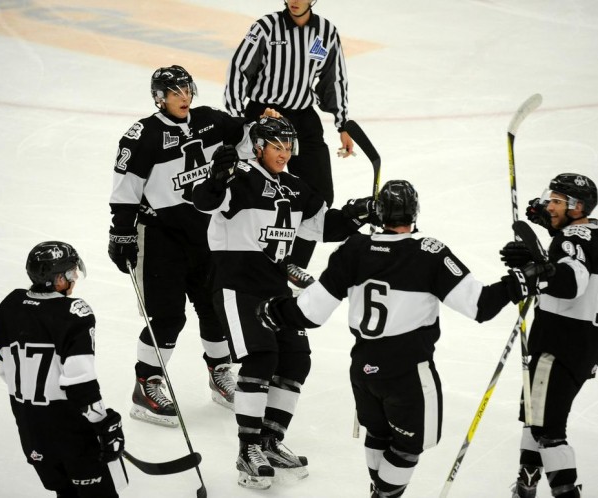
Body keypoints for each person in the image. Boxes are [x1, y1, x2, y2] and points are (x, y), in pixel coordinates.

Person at [256, 179, 553, 497]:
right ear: (415, 212)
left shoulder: (354, 249)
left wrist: (275, 311)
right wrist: (523, 279)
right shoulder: (428, 252)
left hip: (363, 367)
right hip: (407, 372)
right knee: (407, 447)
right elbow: (480, 306)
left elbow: (310, 312)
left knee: (379, 434)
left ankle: (378, 489)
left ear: (379, 213)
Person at [192, 115, 375, 489]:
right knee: (261, 357)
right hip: (236, 285)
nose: (285, 153)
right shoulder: (238, 177)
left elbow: (326, 226)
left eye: (289, 147)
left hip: (275, 289)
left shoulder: (293, 186)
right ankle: (248, 448)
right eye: (278, 146)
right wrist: (216, 176)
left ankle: (271, 439)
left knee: (295, 358)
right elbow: (203, 202)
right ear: (258, 147)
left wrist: (360, 213)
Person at [108, 65, 278, 425]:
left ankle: (219, 376)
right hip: (161, 237)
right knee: (167, 315)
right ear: (159, 98)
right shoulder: (144, 135)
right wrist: (121, 233)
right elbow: (126, 188)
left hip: (205, 232)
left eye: (187, 90)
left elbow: (246, 138)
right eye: (175, 93)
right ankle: (147, 383)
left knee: (214, 308)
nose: (184, 97)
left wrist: (261, 122)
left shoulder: (209, 120)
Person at [224, 0, 354, 287]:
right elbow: (239, 71)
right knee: (254, 191)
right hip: (265, 114)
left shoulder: (325, 32)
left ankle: (291, 263)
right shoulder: (266, 27)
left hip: (303, 119)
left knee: (319, 196)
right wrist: (237, 122)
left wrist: (343, 123)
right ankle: (254, 258)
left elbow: (333, 80)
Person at [0, 241, 127, 498]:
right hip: (70, 430)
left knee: (64, 492)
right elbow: (80, 380)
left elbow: (4, 370)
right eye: (71, 273)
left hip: (31, 428)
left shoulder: (10, 305)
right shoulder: (73, 313)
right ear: (58, 279)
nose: (75, 278)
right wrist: (103, 422)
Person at [500, 173, 598, 498]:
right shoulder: (590, 230)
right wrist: (545, 223)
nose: (549, 205)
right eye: (550, 199)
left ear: (577, 207)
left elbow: (572, 281)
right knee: (535, 412)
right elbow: (570, 246)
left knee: (548, 430)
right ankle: (526, 484)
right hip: (583, 340)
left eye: (557, 201)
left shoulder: (572, 239)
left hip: (560, 341)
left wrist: (538, 267)